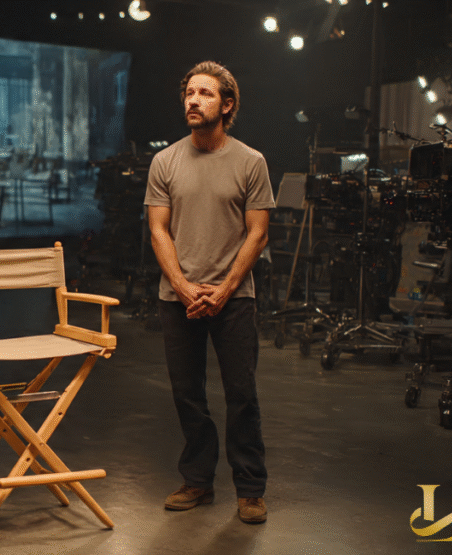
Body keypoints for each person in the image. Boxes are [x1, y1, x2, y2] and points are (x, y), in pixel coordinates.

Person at [144, 61, 275, 524]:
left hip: (234, 298)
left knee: (242, 393)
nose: (193, 101)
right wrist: (181, 287)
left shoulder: (250, 161)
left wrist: (223, 290)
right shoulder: (165, 161)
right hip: (177, 297)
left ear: (227, 104)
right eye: (189, 94)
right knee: (187, 394)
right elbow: (159, 231)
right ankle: (198, 479)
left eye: (205, 93)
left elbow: (257, 234)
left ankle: (250, 489)